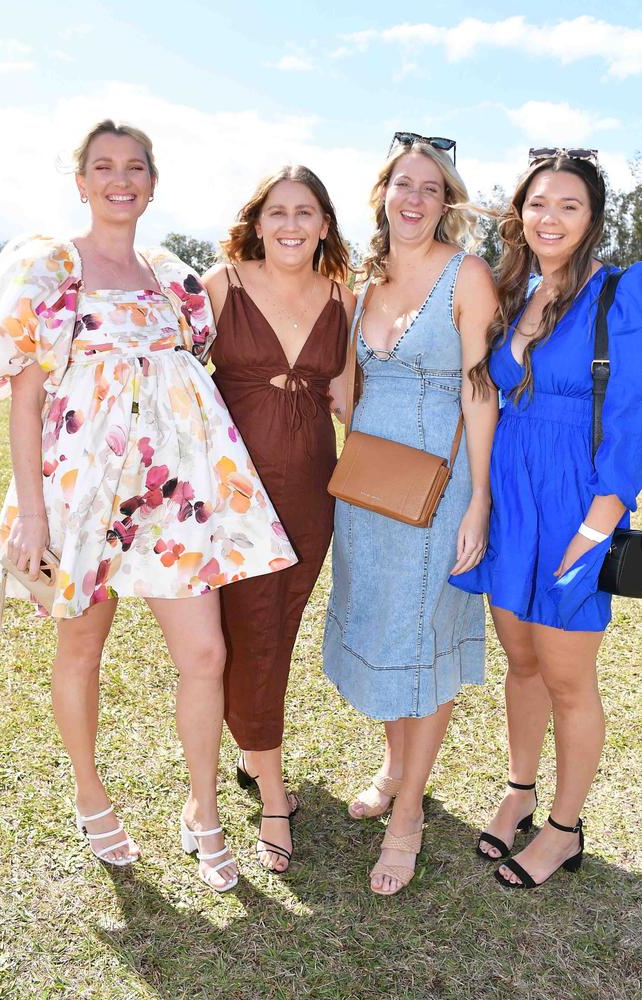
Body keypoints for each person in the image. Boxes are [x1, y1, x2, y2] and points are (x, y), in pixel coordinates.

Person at [0, 120, 296, 893]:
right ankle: (91, 796)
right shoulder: (48, 267)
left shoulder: (174, 278)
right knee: (80, 650)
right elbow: (25, 404)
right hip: (78, 493)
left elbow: (188, 378)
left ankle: (202, 810)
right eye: (103, 167)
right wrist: (32, 514)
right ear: (82, 181)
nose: (119, 179)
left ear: (153, 184)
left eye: (134, 167)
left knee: (205, 655)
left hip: (170, 498)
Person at [451, 148, 642, 888]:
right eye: (537, 203)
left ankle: (564, 830)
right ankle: (520, 792)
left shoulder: (620, 294)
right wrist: (484, 499)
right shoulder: (515, 292)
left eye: (567, 205)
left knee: (568, 677)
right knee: (522, 660)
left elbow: (630, 420)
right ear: (519, 213)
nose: (549, 218)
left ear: (592, 217)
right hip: (512, 501)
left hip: (575, 504)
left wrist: (594, 530)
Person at [322, 134, 499, 895]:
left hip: (441, 485)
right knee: (389, 627)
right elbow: (349, 381)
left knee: (423, 637)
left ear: (447, 200)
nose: (415, 198)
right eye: (404, 184)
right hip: (371, 486)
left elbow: (479, 391)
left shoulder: (469, 276)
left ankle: (410, 816)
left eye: (431, 187)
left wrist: (480, 499)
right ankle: (395, 769)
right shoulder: (367, 277)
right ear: (383, 194)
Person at [203, 165, 355, 873]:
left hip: (311, 495)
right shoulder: (218, 287)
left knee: (275, 627)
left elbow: (351, 402)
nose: (291, 224)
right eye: (277, 212)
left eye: (306, 212)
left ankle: (248, 744)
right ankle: (270, 792)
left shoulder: (343, 297)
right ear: (256, 222)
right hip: (231, 496)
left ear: (325, 224)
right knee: (244, 630)